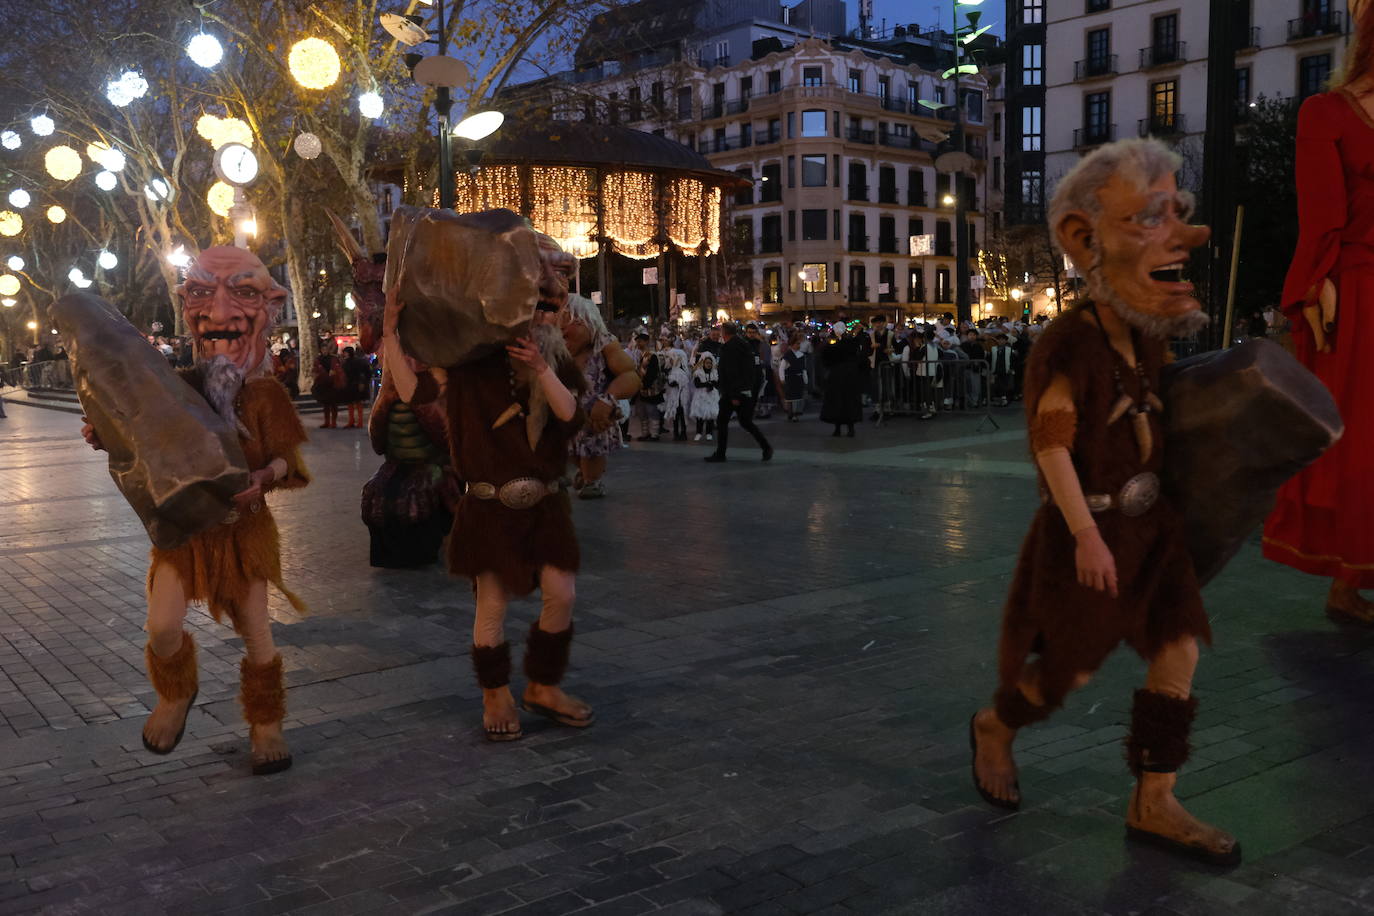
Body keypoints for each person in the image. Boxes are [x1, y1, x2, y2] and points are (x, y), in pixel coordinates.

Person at [969, 139, 1240, 865]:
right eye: (1149, 218)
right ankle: (997, 726)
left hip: (1153, 532)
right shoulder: (1068, 345)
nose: (1181, 235)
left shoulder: (1146, 338)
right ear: (1084, 241)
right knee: (1069, 672)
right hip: (1087, 531)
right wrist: (1087, 537)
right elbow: (1052, 443)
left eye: (1175, 213)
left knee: (1178, 652)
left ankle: (1154, 800)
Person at [82, 247, 309, 775]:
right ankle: (176, 692)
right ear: (187, 305)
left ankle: (266, 723)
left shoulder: (266, 392)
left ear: (268, 306)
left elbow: (286, 460)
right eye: (202, 294)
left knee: (258, 634)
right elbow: (138, 437)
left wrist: (263, 477)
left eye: (243, 293)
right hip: (183, 532)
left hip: (243, 532)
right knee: (161, 626)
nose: (220, 312)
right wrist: (105, 435)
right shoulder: (173, 385)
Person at [384, 212, 593, 742]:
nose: (550, 300)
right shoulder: (469, 365)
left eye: (557, 293)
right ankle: (495, 693)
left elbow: (571, 415)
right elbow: (414, 392)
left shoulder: (558, 363)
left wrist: (542, 370)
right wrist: (390, 331)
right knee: (491, 607)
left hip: (544, 504)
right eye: (539, 291)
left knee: (562, 593)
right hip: (489, 504)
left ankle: (542, 685)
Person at [1262, 24, 1374, 620]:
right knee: (1358, 440)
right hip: (1358, 295)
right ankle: (1347, 583)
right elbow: (1320, 213)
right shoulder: (1325, 113)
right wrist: (1315, 287)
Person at [563, 290, 639, 499]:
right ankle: (584, 473)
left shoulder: (604, 344)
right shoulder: (555, 346)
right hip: (566, 410)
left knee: (591, 444)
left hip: (594, 409)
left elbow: (630, 375)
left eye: (570, 321)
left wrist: (607, 400)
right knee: (570, 447)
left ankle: (592, 480)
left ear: (587, 322)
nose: (562, 329)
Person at [704, 321, 772, 462]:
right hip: (740, 390)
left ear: (724, 332)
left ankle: (721, 453)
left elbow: (733, 371)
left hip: (733, 392)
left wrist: (735, 395)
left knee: (723, 421)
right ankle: (765, 447)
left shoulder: (731, 347)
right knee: (745, 421)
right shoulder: (741, 344)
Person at [820, 323, 862, 437]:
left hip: (846, 376)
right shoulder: (834, 341)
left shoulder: (848, 341)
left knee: (847, 401)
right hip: (838, 376)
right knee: (838, 402)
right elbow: (826, 357)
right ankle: (838, 427)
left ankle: (849, 428)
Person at [311, 339, 345, 429]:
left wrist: (335, 373)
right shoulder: (318, 360)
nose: (325, 351)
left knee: (333, 404)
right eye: (323, 349)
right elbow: (314, 370)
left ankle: (333, 422)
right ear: (321, 350)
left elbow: (339, 369)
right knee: (325, 404)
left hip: (333, 383)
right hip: (323, 383)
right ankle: (326, 422)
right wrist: (316, 375)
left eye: (326, 349)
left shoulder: (333, 359)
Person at [779, 333, 808, 422]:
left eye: (799, 343)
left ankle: (796, 413)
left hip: (798, 379)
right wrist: (782, 378)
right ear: (792, 345)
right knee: (790, 398)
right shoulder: (788, 355)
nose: (798, 345)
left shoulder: (801, 355)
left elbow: (803, 369)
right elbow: (782, 368)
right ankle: (790, 413)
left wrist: (805, 379)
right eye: (797, 344)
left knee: (797, 397)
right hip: (790, 379)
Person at [690, 352, 720, 440]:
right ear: (703, 363)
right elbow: (697, 384)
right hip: (700, 396)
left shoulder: (714, 373)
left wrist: (711, 384)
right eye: (707, 363)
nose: (709, 365)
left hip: (711, 396)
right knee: (700, 415)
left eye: (710, 363)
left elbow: (717, 384)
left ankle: (709, 433)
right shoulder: (698, 373)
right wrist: (708, 383)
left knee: (710, 415)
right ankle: (698, 432)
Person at [341, 346, 371, 428]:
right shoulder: (345, 362)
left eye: (345, 352)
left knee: (358, 403)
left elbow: (364, 373)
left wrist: (362, 382)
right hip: (349, 384)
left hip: (356, 384)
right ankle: (351, 420)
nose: (344, 354)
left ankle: (359, 421)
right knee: (350, 403)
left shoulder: (358, 361)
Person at [988, 333, 1017, 406]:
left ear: (1005, 341)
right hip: (996, 370)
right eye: (999, 340)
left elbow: (1013, 360)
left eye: (1003, 340)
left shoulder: (1009, 350)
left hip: (1005, 370)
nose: (1001, 341)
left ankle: (1005, 399)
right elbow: (989, 359)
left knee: (1005, 385)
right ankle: (1001, 399)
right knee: (997, 385)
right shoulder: (993, 349)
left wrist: (1011, 368)